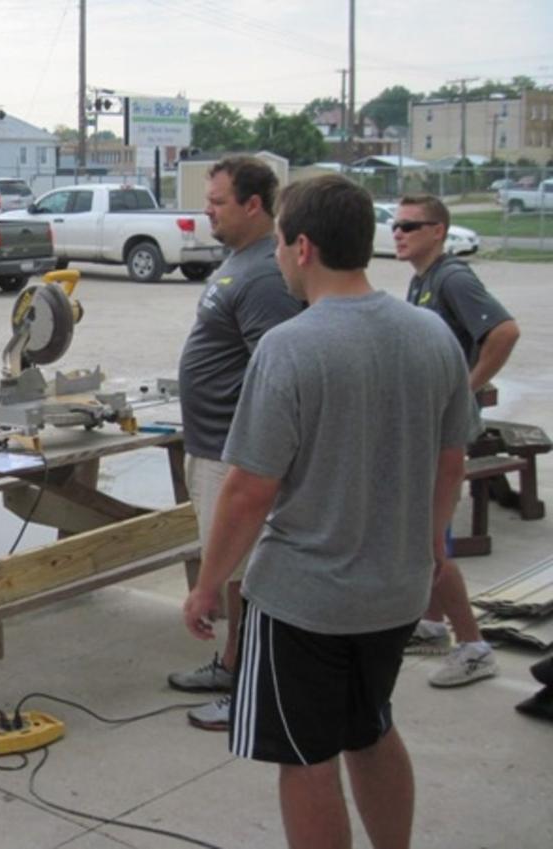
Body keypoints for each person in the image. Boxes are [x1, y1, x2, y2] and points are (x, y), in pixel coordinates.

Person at [183, 174, 477, 849]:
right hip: (396, 590)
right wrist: (432, 543)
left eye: (282, 242)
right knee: (371, 727)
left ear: (303, 246)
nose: (279, 256)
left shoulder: (291, 346)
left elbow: (249, 487)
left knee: (306, 756)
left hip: (304, 600)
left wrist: (208, 584)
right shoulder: (431, 334)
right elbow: (450, 460)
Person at [171, 155, 303, 730]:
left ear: (254, 205)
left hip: (234, 451)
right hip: (211, 444)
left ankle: (253, 686)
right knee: (230, 571)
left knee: (247, 573)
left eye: (219, 202)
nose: (208, 211)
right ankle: (232, 664)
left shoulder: (267, 276)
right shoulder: (240, 262)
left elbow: (277, 374)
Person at [394, 193, 519, 688]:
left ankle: (473, 646)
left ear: (439, 231)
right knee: (425, 535)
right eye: (397, 225)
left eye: (411, 225)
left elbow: (505, 331)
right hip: (425, 426)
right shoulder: (422, 280)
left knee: (431, 540)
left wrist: (464, 387)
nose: (399, 233)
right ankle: (430, 623)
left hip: (441, 432)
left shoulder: (453, 278)